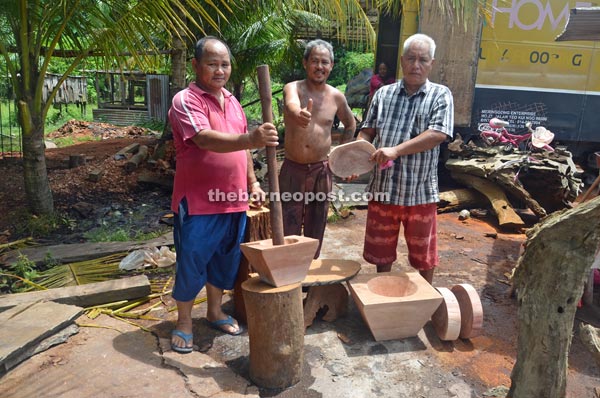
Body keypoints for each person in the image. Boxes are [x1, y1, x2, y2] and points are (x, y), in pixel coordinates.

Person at [168, 36, 279, 353]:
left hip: (233, 200)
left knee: (225, 260)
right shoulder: (186, 101)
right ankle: (184, 322)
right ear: (196, 65)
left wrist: (253, 183)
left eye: (224, 64)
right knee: (192, 261)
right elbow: (203, 139)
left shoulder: (231, 101)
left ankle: (215, 311)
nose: (219, 70)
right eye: (212, 64)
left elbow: (243, 153)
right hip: (200, 203)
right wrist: (250, 137)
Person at [356, 33, 454, 284]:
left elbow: (437, 134)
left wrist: (395, 150)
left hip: (419, 191)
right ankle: (381, 292)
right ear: (402, 60)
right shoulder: (383, 94)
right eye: (411, 58)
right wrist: (355, 155)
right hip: (383, 188)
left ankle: (426, 297)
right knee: (381, 251)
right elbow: (368, 130)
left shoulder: (440, 95)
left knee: (424, 255)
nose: (416, 65)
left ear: (432, 63)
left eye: (423, 59)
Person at [280, 39, 356, 258]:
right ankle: (288, 270)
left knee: (317, 222)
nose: (319, 67)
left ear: (331, 66)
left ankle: (310, 272)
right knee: (288, 221)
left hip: (322, 170)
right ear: (305, 63)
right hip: (293, 169)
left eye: (325, 62)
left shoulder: (336, 96)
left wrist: (342, 155)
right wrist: (298, 114)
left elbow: (350, 124)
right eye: (315, 61)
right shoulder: (293, 87)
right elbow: (291, 103)